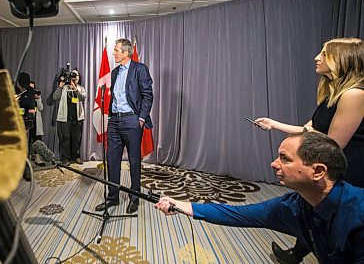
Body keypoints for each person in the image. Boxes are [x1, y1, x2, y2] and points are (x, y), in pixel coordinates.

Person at [156, 132, 364, 263]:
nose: (274, 164)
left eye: (285, 159)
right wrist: (181, 205)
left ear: (318, 171)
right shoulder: (293, 205)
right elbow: (239, 214)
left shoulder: (359, 213)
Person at [255, 37, 364, 263]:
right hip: (328, 164)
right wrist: (273, 124)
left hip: (348, 169)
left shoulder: (354, 95)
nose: (317, 57)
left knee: (333, 220)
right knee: (313, 210)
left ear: (342, 60)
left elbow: (332, 144)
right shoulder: (333, 93)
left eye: (324, 53)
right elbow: (310, 130)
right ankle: (297, 253)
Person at [95, 38, 154, 214]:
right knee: (112, 160)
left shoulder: (139, 69)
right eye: (113, 50)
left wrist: (141, 118)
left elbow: (148, 95)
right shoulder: (114, 72)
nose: (114, 53)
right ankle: (113, 197)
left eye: (116, 50)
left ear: (126, 52)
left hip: (132, 120)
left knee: (134, 160)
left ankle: (134, 198)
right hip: (114, 121)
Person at [52, 69, 87, 166]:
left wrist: (75, 89)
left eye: (77, 76)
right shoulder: (63, 88)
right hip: (65, 119)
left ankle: (75, 157)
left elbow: (83, 97)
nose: (75, 78)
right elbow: (55, 97)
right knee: (65, 139)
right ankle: (65, 158)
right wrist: (60, 85)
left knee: (77, 138)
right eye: (73, 76)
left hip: (77, 118)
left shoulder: (80, 88)